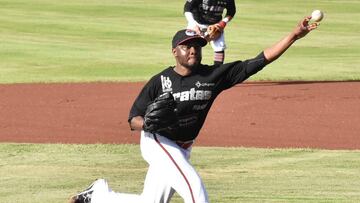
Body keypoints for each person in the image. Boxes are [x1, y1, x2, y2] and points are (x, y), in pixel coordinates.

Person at [69, 16, 319, 203]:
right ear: (174, 51)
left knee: (150, 201)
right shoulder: (160, 81)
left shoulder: (213, 75)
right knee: (196, 192)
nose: (193, 50)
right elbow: (132, 118)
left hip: (183, 146)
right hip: (158, 142)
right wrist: (146, 124)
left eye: (197, 46)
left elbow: (258, 61)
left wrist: (293, 36)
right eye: (187, 46)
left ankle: (99, 195)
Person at [184, 0, 236, 65]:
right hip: (196, 22)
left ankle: (217, 71)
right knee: (190, 45)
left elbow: (231, 11)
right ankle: (190, 68)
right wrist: (193, 25)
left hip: (215, 25)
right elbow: (187, 8)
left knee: (219, 47)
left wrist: (222, 23)